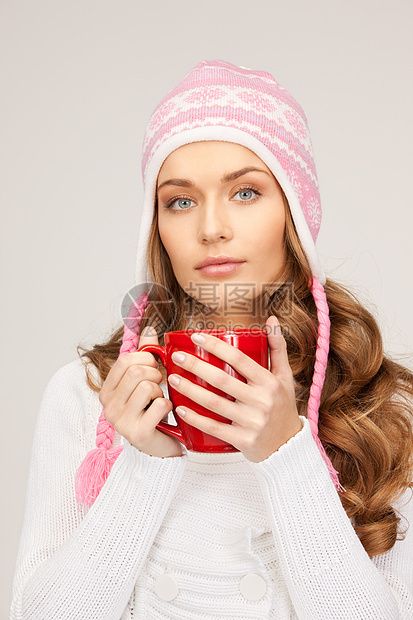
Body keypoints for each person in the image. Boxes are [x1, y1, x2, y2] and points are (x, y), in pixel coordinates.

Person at [10, 59, 413, 619]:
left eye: (245, 193)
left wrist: (285, 455)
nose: (211, 228)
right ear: (159, 230)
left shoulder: (376, 407)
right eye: (181, 200)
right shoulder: (90, 399)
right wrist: (143, 464)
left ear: (294, 214)